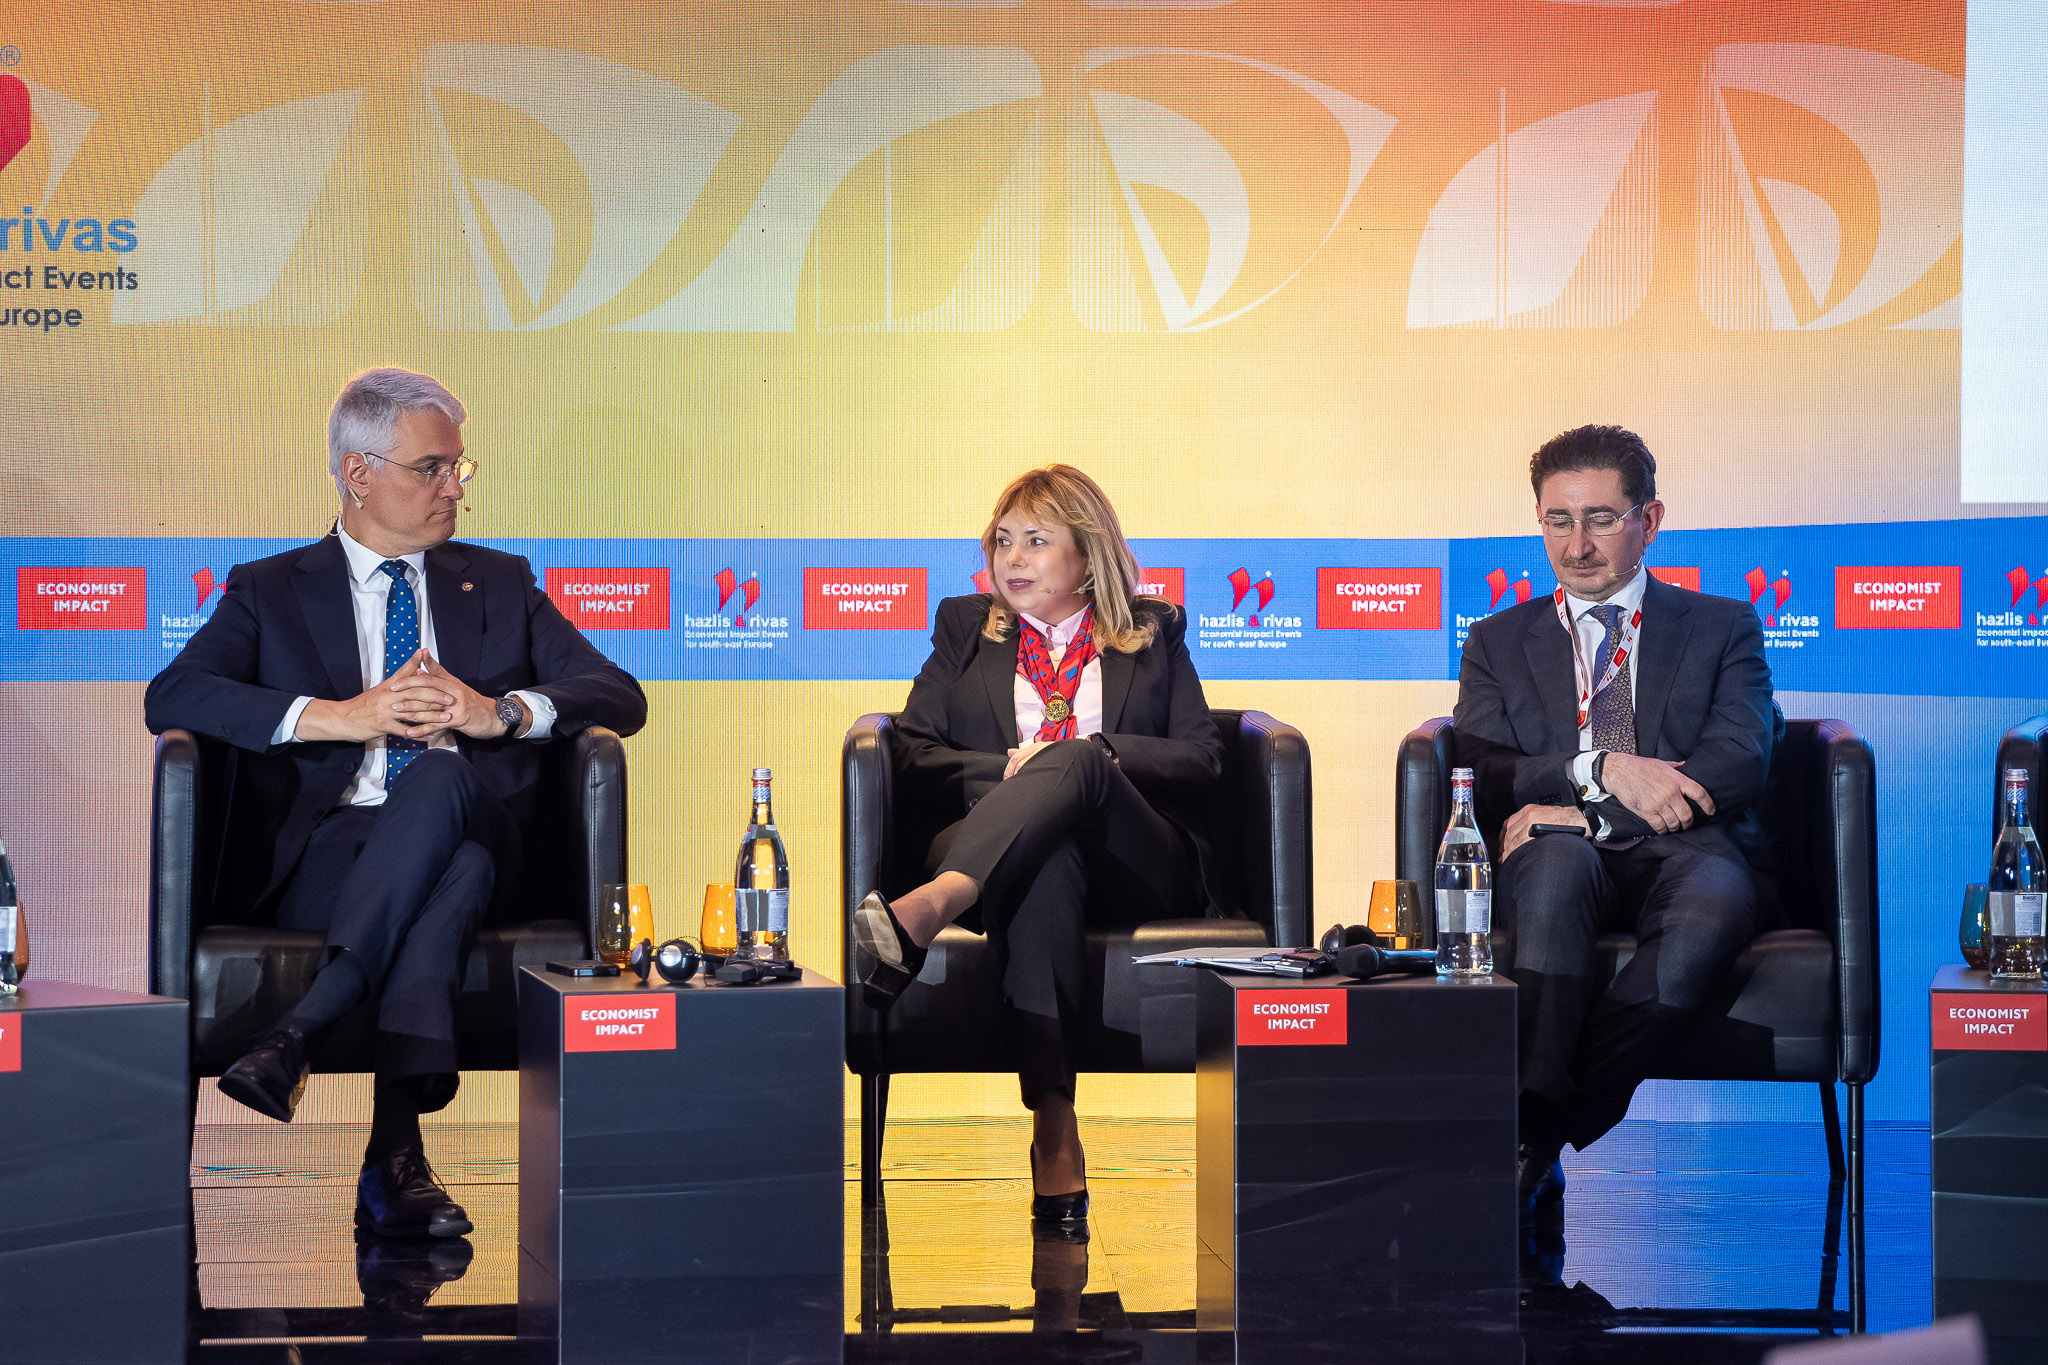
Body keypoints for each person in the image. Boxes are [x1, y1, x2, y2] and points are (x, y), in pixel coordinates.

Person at [144, 367, 646, 1239]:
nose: (454, 487)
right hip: (333, 852)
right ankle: (394, 1157)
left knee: (441, 779)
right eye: (431, 468)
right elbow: (174, 695)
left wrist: (498, 712)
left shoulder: (499, 581)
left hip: (479, 814)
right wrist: (342, 716)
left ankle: (299, 1031)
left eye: (459, 467)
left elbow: (618, 693)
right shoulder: (271, 589)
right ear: (359, 472)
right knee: (457, 871)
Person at [851, 464, 1230, 1227]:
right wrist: (1013, 772)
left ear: (1087, 554)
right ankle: (1055, 1127)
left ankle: (931, 906)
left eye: (1035, 540)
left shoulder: (1152, 631)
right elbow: (913, 750)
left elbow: (1202, 757)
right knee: (1046, 856)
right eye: (1002, 541)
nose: (1012, 558)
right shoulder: (966, 628)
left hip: (1135, 858)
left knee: (1081, 757)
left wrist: (1094, 756)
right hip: (1005, 844)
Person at [1451, 424, 1778, 1231]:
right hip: (1555, 851)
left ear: (1649, 520)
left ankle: (1533, 1132)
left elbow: (1738, 759)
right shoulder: (1495, 641)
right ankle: (1530, 1141)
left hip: (1690, 849)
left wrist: (1584, 810)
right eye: (1558, 520)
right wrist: (1597, 768)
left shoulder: (1722, 625)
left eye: (1600, 518)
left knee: (1706, 913)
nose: (1577, 545)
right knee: (1554, 872)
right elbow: (1483, 767)